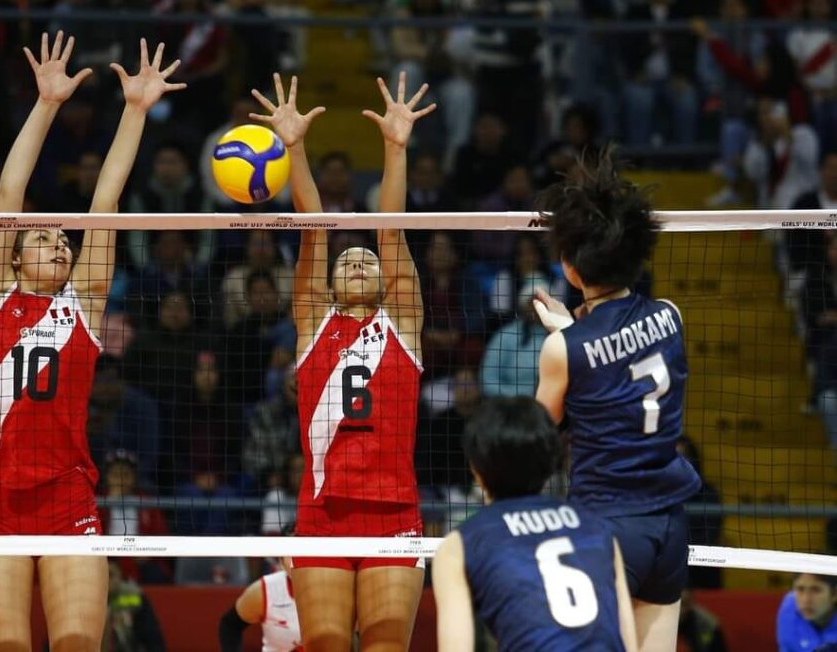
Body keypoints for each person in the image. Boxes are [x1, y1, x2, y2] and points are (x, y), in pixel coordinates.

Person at [0, 31, 184, 652]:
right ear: (12, 252)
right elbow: (7, 196)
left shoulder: (83, 304)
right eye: (43, 237)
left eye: (64, 238)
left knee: (78, 644)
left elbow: (105, 201)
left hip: (68, 497)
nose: (60, 241)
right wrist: (46, 105)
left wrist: (135, 111)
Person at [250, 71, 434, 650]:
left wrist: (395, 147)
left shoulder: (402, 324)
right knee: (324, 643)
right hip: (322, 512)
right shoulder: (314, 324)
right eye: (345, 261)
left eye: (366, 261)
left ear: (385, 280)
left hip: (395, 511)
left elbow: (392, 233)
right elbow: (311, 231)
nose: (358, 263)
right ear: (328, 285)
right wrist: (293, 147)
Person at [532, 148, 702, 652]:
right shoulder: (670, 316)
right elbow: (622, 355)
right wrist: (576, 329)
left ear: (569, 266)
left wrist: (567, 338)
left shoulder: (563, 349)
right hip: (669, 524)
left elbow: (537, 437)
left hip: (607, 523)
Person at [432, 396, 637, 651]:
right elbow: (628, 643)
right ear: (552, 461)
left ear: (476, 468)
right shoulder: (598, 528)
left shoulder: (459, 545)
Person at [219, 557, 302, 652]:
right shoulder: (265, 589)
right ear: (281, 561)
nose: (297, 561)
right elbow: (230, 625)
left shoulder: (322, 589)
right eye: (292, 554)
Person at [777, 573, 837, 651]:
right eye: (800, 589)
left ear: (835, 594)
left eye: (816, 590)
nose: (806, 600)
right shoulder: (788, 608)